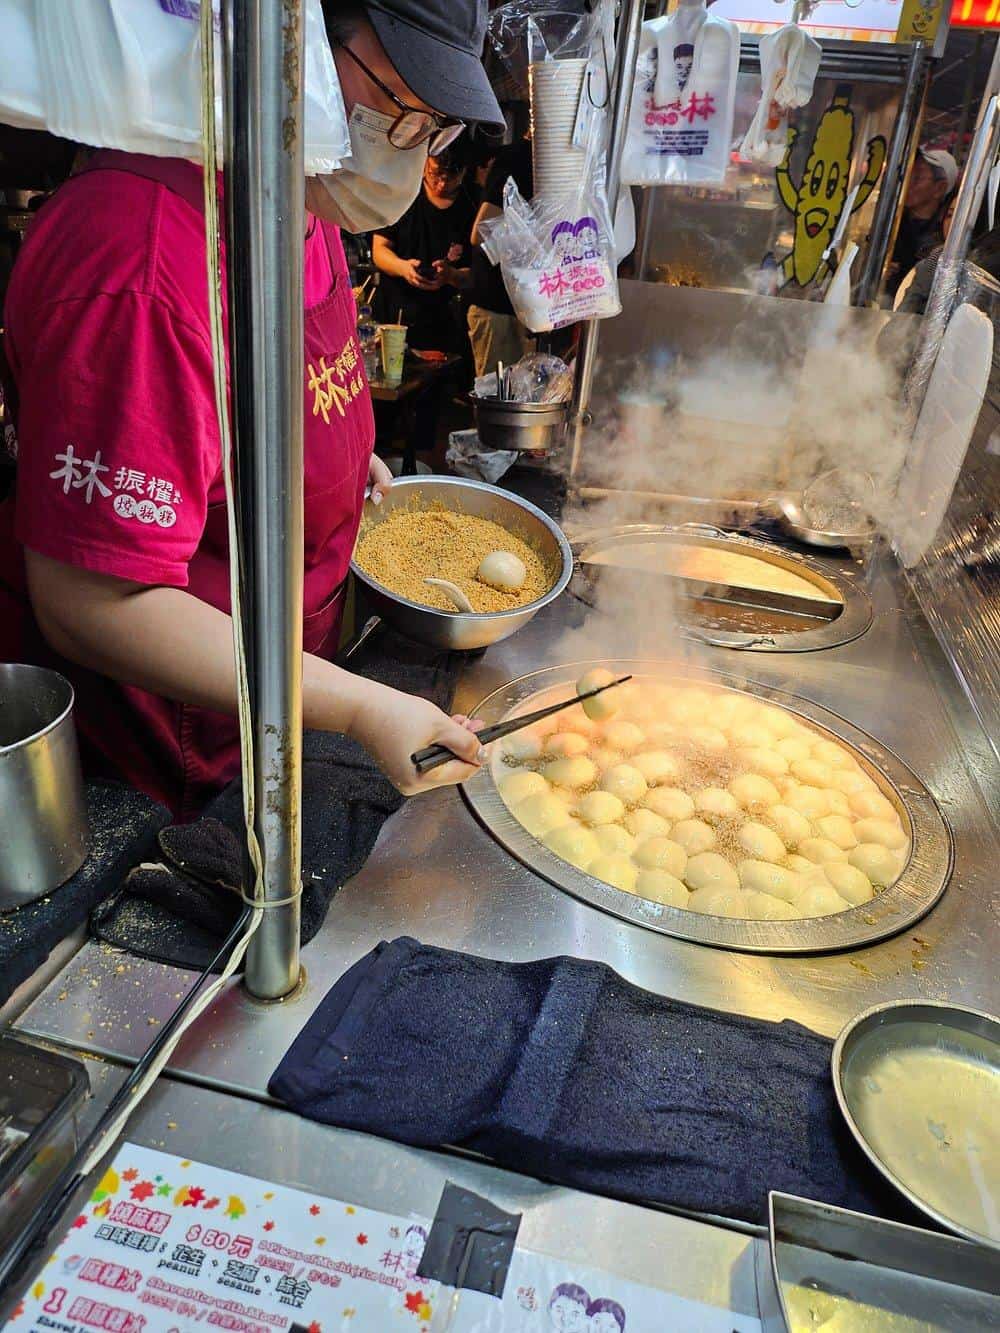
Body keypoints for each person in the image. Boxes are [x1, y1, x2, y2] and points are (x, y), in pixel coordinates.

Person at [0, 0, 504, 819]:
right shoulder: (139, 255)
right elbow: (91, 601)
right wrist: (361, 706)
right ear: (288, 34)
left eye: (432, 127)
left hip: (271, 718)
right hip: (159, 766)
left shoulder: (294, 195)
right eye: (399, 106)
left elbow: (254, 409)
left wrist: (339, 454)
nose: (407, 142)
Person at [371, 146, 477, 353]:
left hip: (449, 322)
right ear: (425, 162)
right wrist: (403, 268)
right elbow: (379, 250)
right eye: (435, 173)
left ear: (464, 171)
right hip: (396, 316)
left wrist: (452, 275)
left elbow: (481, 272)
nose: (441, 183)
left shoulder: (474, 204)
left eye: (451, 177)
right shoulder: (403, 193)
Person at [467, 128, 536, 378]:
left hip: (526, 309)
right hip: (497, 309)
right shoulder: (517, 158)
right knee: (497, 402)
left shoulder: (546, 160)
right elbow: (482, 233)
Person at [886, 147, 958, 297]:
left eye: (917, 178)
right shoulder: (889, 224)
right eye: (907, 175)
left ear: (939, 188)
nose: (907, 184)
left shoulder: (943, 236)